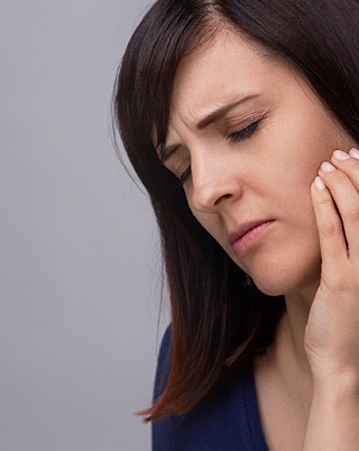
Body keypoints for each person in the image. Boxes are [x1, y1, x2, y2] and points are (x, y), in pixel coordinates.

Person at [114, 0, 359, 449]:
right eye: (183, 171)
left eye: (242, 128)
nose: (205, 192)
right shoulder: (197, 381)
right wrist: (339, 376)